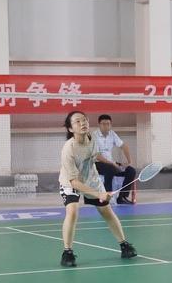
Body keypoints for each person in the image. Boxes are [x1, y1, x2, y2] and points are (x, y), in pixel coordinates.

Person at [58, 111, 137, 268]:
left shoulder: (91, 138)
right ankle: (67, 252)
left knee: (107, 211)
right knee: (72, 211)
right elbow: (74, 182)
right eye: (77, 121)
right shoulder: (68, 149)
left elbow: (94, 157)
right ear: (70, 129)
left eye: (84, 120)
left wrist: (109, 167)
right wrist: (99, 193)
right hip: (70, 182)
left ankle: (124, 245)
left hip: (91, 178)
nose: (83, 123)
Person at [93, 114, 136, 205]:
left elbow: (124, 146)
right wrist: (112, 164)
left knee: (131, 171)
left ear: (110, 125)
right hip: (97, 164)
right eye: (103, 124)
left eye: (108, 124)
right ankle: (107, 197)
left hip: (111, 164)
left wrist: (129, 161)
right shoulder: (93, 136)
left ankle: (122, 197)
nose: (106, 126)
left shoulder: (112, 134)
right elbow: (97, 156)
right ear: (99, 125)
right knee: (110, 169)